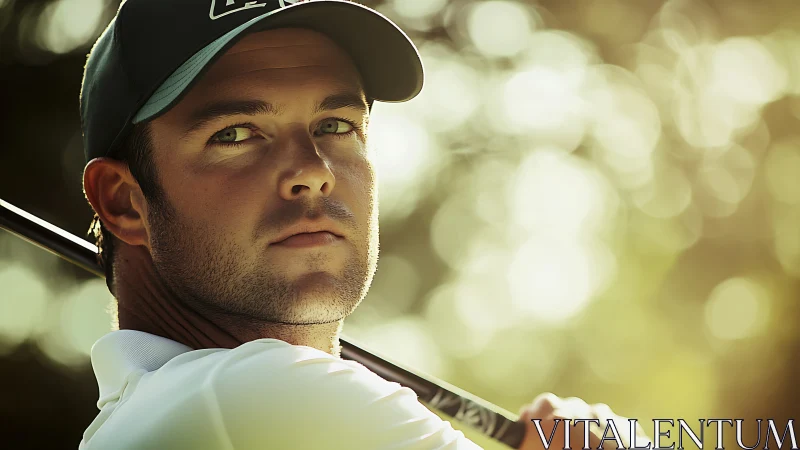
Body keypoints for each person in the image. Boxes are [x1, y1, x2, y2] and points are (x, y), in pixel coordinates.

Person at [78, 0, 650, 448]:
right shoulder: (262, 393)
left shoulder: (150, 416)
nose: (311, 171)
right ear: (125, 202)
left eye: (335, 124)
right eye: (235, 134)